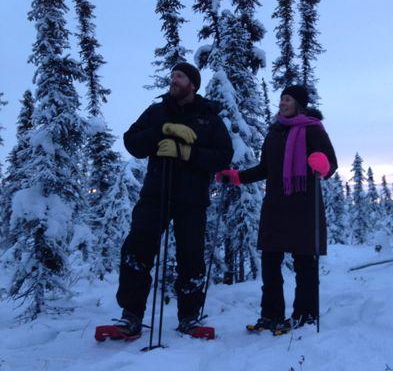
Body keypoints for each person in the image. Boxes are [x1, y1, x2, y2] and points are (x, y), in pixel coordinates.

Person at [113, 62, 233, 337]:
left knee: (191, 258)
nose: (174, 80)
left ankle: (190, 317)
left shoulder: (208, 117)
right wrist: (162, 130)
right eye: (172, 76)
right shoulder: (157, 112)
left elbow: (223, 155)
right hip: (156, 194)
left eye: (180, 76)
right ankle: (130, 315)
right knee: (136, 251)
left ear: (193, 84)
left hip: (192, 199)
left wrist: (188, 154)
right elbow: (131, 142)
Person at [216, 85, 337, 334]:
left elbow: (330, 164)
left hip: (304, 206)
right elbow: (265, 169)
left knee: (305, 263)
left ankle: (305, 315)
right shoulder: (275, 132)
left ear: (299, 104)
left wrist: (322, 164)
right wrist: (237, 177)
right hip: (275, 206)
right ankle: (270, 315)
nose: (282, 103)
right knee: (270, 262)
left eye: (288, 99)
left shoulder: (313, 130)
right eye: (281, 98)